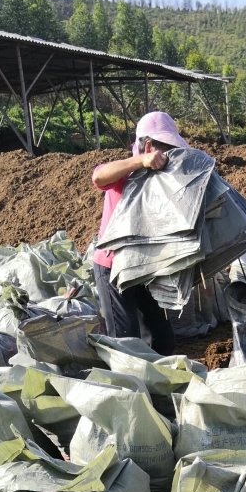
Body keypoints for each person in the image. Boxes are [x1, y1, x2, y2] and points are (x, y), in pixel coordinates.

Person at [91, 111, 188, 354]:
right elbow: (98, 176)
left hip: (143, 267)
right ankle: (127, 388)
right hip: (113, 266)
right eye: (165, 149)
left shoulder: (162, 179)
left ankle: (159, 386)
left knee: (163, 336)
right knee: (125, 340)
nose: (169, 156)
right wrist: (141, 161)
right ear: (148, 146)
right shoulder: (126, 173)